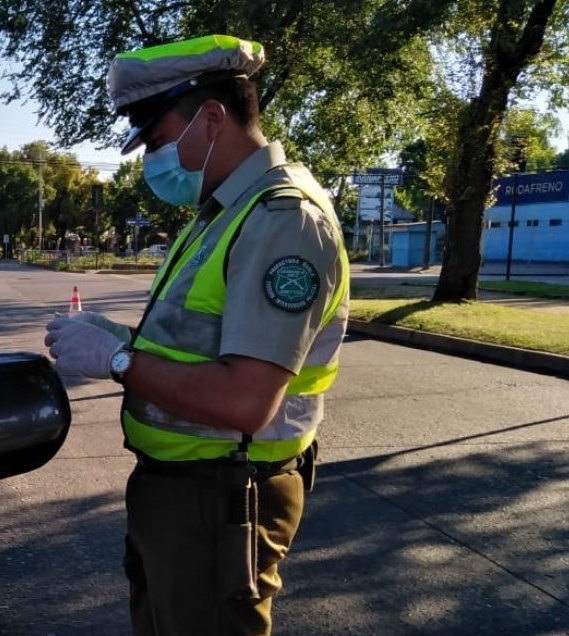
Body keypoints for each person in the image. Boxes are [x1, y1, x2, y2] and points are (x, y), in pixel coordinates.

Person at [44, 34, 349, 635]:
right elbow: (197, 337)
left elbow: (246, 401)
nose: (151, 159)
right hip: (190, 493)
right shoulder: (224, 212)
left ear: (211, 119)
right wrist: (119, 336)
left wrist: (119, 360)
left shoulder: (282, 220)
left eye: (156, 140)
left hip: (225, 495)